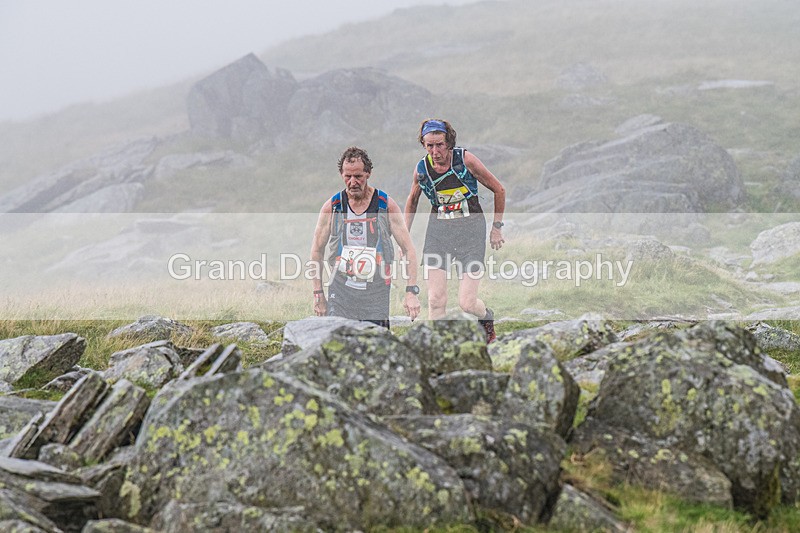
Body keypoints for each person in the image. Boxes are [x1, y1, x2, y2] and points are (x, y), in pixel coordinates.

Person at [404, 119, 506, 343]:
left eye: (439, 145)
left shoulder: (465, 160)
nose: (435, 151)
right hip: (439, 234)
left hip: (471, 233)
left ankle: (486, 319)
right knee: (435, 300)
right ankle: (437, 348)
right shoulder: (422, 169)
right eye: (429, 146)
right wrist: (404, 237)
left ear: (448, 142)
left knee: (467, 303)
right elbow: (412, 201)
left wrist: (497, 227)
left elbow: (499, 189)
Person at [311, 146, 421, 328]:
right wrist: (318, 293)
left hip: (376, 290)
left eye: (358, 176)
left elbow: (409, 249)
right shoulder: (333, 206)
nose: (353, 182)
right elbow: (317, 250)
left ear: (368, 173)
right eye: (348, 176)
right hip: (341, 288)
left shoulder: (385, 205)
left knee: (376, 344)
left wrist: (411, 291)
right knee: (338, 343)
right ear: (341, 175)